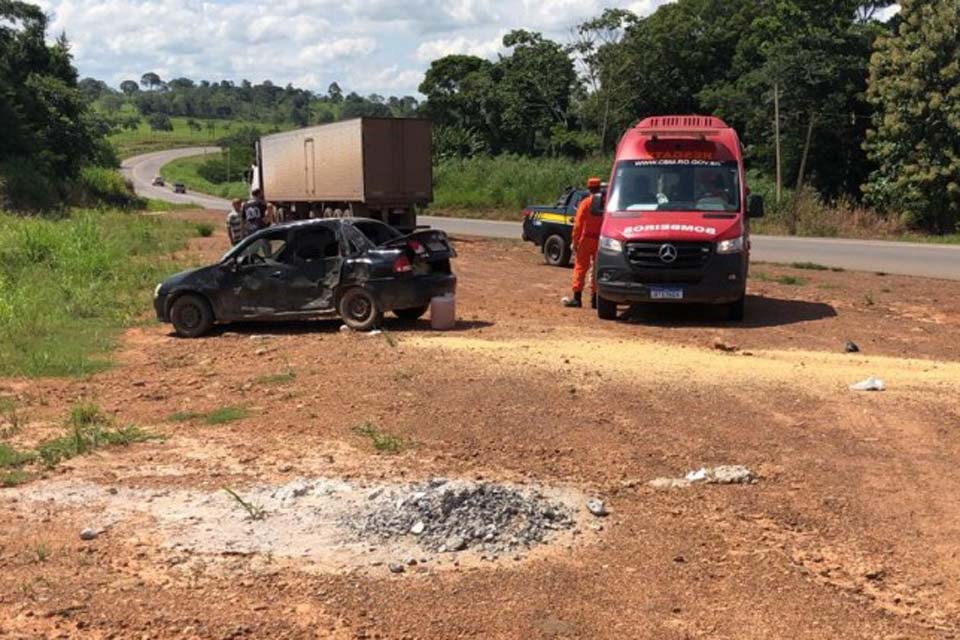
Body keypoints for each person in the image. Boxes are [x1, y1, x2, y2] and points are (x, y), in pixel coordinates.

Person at [562, 177, 604, 309]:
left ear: (589, 188)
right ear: (600, 188)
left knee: (580, 268)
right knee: (597, 270)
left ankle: (577, 299)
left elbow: (578, 225)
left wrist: (574, 242)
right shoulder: (606, 203)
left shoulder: (585, 203)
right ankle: (595, 300)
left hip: (586, 240)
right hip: (600, 241)